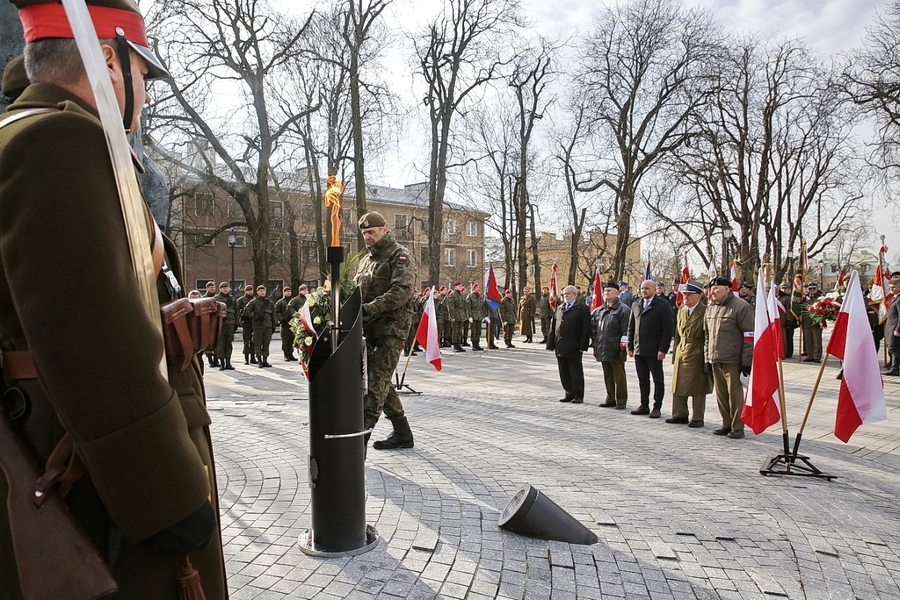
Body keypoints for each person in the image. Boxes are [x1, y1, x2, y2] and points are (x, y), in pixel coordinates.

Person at [0, 0, 227, 597]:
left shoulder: (36, 134)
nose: (146, 95)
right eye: (143, 75)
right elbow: (94, 346)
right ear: (107, 59)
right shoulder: (57, 140)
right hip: (95, 481)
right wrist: (169, 501)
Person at [355, 212, 418, 450]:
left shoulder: (399, 256)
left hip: (391, 329)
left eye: (371, 232)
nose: (367, 237)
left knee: (375, 383)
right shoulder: (366, 261)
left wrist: (368, 310)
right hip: (368, 330)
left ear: (385, 229)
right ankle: (403, 433)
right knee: (381, 380)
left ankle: (358, 443)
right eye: (364, 233)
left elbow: (401, 292)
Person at [704, 276, 754, 438]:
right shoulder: (711, 308)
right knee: (721, 395)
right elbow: (707, 336)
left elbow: (749, 336)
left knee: (735, 395)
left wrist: (746, 361)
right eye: (711, 289)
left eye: (716, 289)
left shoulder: (741, 307)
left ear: (727, 289)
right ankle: (726, 424)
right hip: (715, 358)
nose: (712, 292)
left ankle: (737, 427)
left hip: (733, 359)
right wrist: (707, 358)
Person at [667, 282, 712, 427]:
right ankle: (679, 414)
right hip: (682, 350)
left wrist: (706, 358)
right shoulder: (681, 310)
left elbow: (708, 337)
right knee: (678, 384)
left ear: (699, 296)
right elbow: (677, 335)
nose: (685, 297)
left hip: (697, 350)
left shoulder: (705, 312)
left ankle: (698, 417)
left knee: (698, 387)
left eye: (689, 294)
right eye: (684, 294)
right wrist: (675, 354)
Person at [628, 280, 674, 418]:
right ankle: (644, 405)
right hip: (639, 349)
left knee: (657, 379)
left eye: (647, 288)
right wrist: (630, 346)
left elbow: (668, 329)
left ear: (654, 290)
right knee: (643, 379)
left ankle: (657, 406)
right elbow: (631, 327)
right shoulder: (636, 305)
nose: (644, 290)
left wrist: (663, 349)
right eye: (642, 288)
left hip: (654, 350)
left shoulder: (662, 305)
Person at [590, 282, 630, 409]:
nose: (606, 293)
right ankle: (610, 398)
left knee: (619, 376)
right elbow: (595, 331)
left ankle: (621, 400)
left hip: (616, 348)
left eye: (610, 291)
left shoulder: (623, 309)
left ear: (617, 293)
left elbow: (626, 331)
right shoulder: (599, 310)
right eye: (605, 291)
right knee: (607, 375)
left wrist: (623, 349)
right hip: (603, 347)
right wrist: (595, 346)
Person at [549, 286, 591, 404]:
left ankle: (578, 394)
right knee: (564, 371)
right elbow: (553, 326)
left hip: (574, 344)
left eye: (568, 294)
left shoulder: (582, 308)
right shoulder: (560, 308)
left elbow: (585, 328)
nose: (566, 296)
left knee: (575, 371)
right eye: (564, 294)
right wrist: (550, 343)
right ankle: (568, 392)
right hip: (560, 344)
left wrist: (583, 345)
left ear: (575, 295)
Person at [243, 285, 275, 368]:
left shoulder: (269, 302)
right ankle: (259, 360)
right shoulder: (253, 302)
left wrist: (274, 325)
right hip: (258, 326)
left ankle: (265, 360)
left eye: (263, 291)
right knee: (258, 343)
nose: (262, 292)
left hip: (267, 326)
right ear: (257, 292)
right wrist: (255, 316)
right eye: (260, 291)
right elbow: (246, 311)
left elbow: (273, 315)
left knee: (266, 343)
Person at [214, 281, 236, 370]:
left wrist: (236, 322)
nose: (225, 289)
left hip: (230, 323)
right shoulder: (216, 298)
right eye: (224, 288)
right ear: (220, 289)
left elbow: (236, 310)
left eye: (227, 288)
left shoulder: (232, 298)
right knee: (220, 344)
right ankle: (222, 363)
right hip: (221, 324)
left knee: (228, 343)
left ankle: (228, 362)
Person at [800, 282, 823, 363]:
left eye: (814, 288)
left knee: (817, 340)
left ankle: (817, 356)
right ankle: (810, 355)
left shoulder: (821, 297)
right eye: (810, 289)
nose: (812, 290)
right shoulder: (804, 298)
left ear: (817, 288)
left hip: (816, 321)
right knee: (808, 340)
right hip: (806, 321)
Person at [274, 286, 298, 361]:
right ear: (283, 292)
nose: (288, 293)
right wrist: (281, 319)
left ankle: (291, 354)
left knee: (292, 339)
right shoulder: (280, 302)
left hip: (292, 323)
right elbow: (276, 312)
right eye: (287, 291)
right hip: (284, 324)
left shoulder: (293, 301)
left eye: (289, 291)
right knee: (285, 340)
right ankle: (286, 354)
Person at [236, 284, 256, 364]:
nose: (250, 292)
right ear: (245, 291)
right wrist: (240, 319)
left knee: (253, 341)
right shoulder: (241, 300)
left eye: (251, 290)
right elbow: (237, 310)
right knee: (246, 341)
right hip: (246, 322)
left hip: (254, 322)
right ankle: (246, 357)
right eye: (248, 290)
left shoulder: (255, 300)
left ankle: (253, 357)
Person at [776, 282, 797, 359]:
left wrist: (789, 320)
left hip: (787, 320)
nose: (784, 289)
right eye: (783, 288)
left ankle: (789, 352)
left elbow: (789, 310)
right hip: (780, 320)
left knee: (789, 337)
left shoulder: (788, 298)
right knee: (783, 337)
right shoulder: (778, 297)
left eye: (786, 288)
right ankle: (784, 351)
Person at [446, 280, 468, 352]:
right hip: (455, 314)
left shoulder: (462, 294)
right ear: (455, 286)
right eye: (458, 286)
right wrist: (452, 316)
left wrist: (465, 315)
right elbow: (450, 307)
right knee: (455, 331)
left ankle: (459, 344)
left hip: (461, 315)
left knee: (459, 331)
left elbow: (464, 305)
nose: (460, 287)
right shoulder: (452, 295)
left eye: (460, 285)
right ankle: (455, 345)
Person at [884, 280, 900, 376]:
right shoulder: (895, 297)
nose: (891, 289)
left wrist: (898, 329)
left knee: (893, 347)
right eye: (890, 287)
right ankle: (894, 368)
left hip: (895, 327)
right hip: (890, 326)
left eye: (893, 287)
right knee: (892, 348)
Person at [467, 283, 487, 351]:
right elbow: (468, 307)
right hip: (473, 315)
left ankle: (477, 344)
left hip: (479, 316)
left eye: (478, 287)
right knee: (474, 331)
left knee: (478, 331)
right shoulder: (470, 296)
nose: (478, 289)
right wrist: (469, 316)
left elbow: (482, 307)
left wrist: (483, 316)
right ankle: (474, 344)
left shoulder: (480, 297)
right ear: (473, 288)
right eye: (476, 287)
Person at [202, 281, 218, 367]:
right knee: (208, 342)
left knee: (216, 341)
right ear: (207, 288)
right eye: (211, 287)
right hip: (207, 322)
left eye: (214, 287)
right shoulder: (204, 298)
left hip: (216, 321)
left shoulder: (217, 298)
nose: (213, 289)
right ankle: (210, 358)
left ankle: (216, 359)